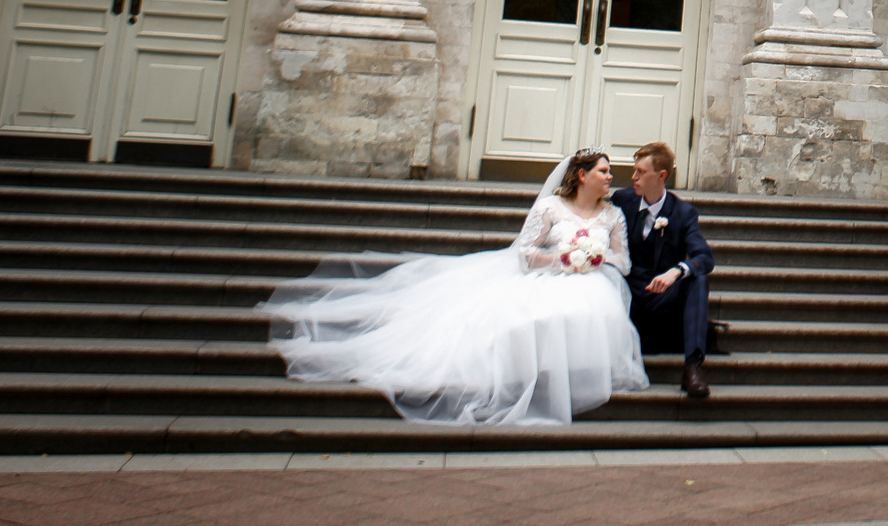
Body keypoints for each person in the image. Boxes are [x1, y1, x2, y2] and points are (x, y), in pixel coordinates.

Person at [261, 146, 649, 423]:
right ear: (582, 175)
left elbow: (623, 260)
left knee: (592, 307)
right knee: (524, 313)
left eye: (609, 171)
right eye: (603, 170)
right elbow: (525, 252)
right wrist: (560, 258)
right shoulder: (550, 208)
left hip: (589, 278)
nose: (609, 177)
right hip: (545, 273)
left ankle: (568, 374)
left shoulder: (612, 214)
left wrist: (593, 258)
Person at [612, 139, 715, 398]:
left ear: (661, 176)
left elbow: (705, 257)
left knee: (698, 281)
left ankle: (692, 368)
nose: (633, 177)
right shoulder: (621, 201)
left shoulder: (683, 212)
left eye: (640, 172)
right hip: (627, 293)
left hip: (660, 296)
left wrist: (677, 271)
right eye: (634, 170)